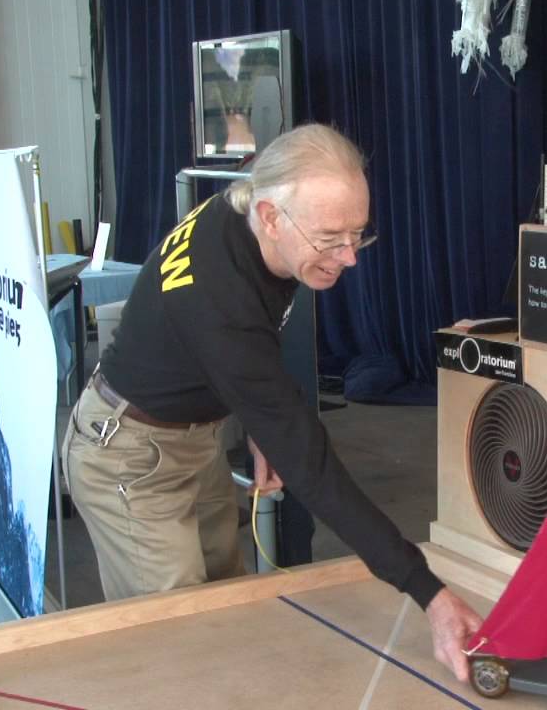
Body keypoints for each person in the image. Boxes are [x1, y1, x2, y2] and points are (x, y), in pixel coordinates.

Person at [62, 123, 482, 682]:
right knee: (180, 646)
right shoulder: (217, 299)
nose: (350, 258)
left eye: (358, 234)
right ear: (269, 216)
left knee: (233, 612)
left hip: (194, 437)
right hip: (129, 458)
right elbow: (314, 468)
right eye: (330, 238)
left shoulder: (252, 202)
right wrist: (428, 593)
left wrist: (258, 421)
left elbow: (252, 339)